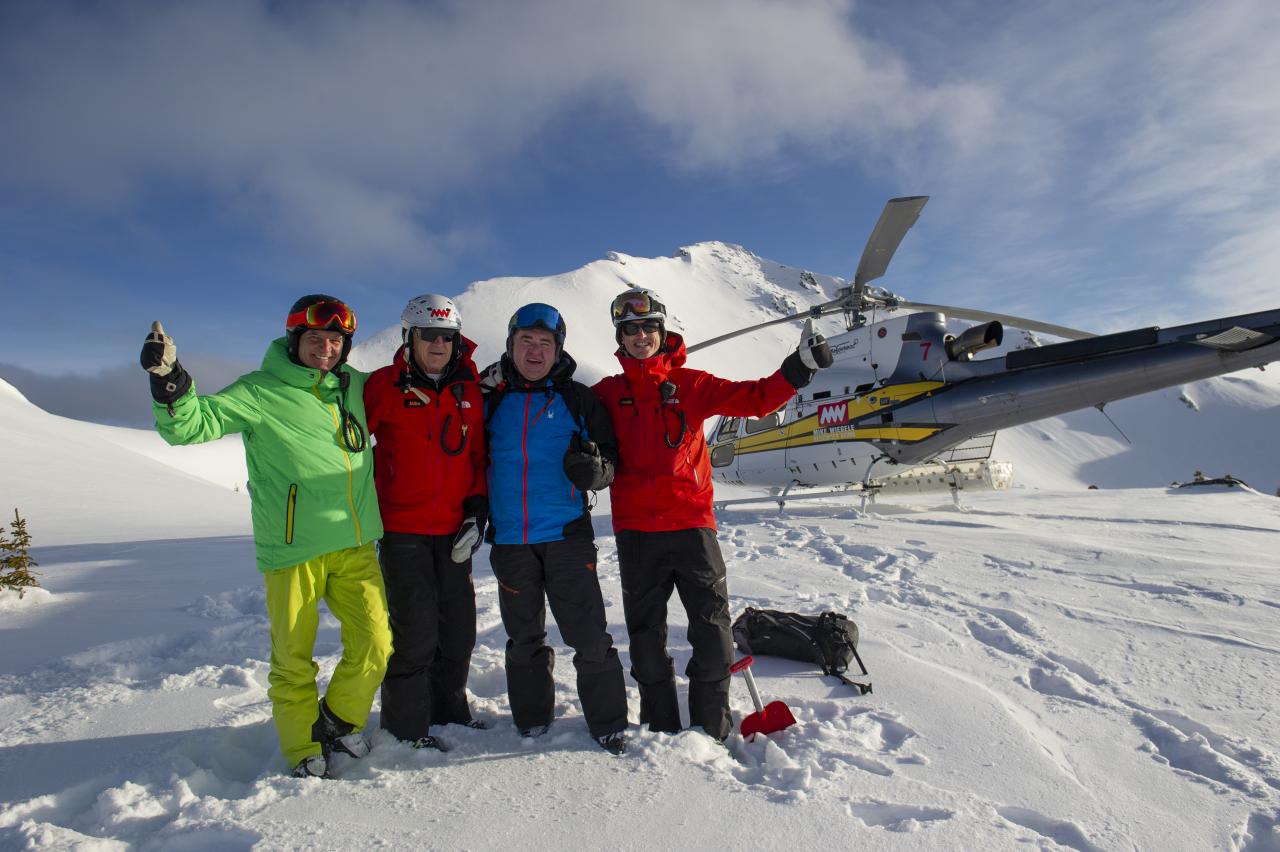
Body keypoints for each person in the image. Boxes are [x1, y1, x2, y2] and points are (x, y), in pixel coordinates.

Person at [140, 295, 392, 779]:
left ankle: (339, 720)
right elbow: (193, 426)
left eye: (336, 340)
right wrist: (169, 381)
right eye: (316, 339)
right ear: (294, 340)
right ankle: (302, 747)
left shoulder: (355, 387)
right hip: (293, 550)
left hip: (355, 542)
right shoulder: (260, 391)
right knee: (294, 657)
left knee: (376, 642)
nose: (326, 349)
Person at [592, 287, 832, 740]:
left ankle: (711, 726)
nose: (640, 335)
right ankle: (658, 725)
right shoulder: (606, 394)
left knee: (712, 631)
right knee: (645, 637)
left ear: (663, 333)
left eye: (648, 327)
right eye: (630, 329)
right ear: (620, 338)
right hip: (636, 533)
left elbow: (757, 399)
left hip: (691, 527)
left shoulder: (691, 385)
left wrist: (797, 371)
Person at [482, 303, 629, 754]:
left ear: (558, 349)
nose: (535, 350)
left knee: (587, 634)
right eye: (526, 340)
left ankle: (608, 722)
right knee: (523, 636)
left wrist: (595, 471)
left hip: (566, 536)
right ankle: (531, 719)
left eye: (545, 343)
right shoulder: (489, 399)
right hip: (509, 540)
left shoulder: (578, 399)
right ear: (510, 345)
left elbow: (610, 460)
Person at [364, 294, 488, 750]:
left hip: (454, 531)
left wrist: (477, 509)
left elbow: (478, 457)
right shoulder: (381, 386)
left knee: (458, 630)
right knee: (415, 633)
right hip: (402, 530)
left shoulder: (472, 391)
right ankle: (405, 729)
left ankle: (449, 712)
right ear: (409, 337)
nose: (438, 344)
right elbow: (348, 443)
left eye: (447, 336)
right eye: (428, 335)